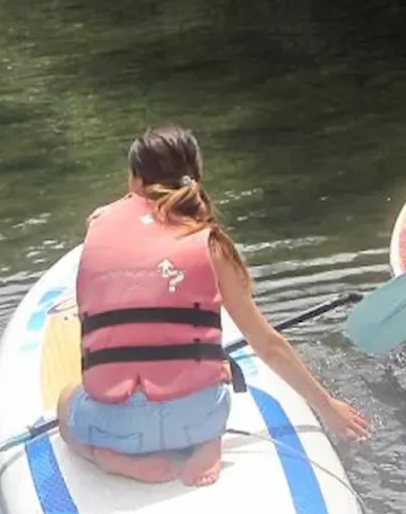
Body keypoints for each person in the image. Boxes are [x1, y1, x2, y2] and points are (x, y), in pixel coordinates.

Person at [56, 124, 372, 487]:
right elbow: (267, 344)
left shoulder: (98, 225)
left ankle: (107, 457)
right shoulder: (211, 244)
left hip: (117, 426)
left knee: (67, 404)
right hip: (196, 417)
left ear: (133, 179)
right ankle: (208, 442)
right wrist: (327, 407)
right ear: (195, 177)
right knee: (214, 372)